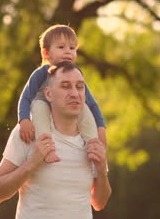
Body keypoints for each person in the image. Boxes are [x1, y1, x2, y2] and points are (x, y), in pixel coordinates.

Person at [0, 61, 111, 218]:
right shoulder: (29, 133)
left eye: (79, 87)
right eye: (65, 86)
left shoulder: (92, 139)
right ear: (48, 94)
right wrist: (32, 164)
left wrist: (101, 171)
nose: (74, 93)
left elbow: (99, 203)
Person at [18, 24, 106, 163]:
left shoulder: (75, 75)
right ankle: (47, 149)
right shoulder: (41, 73)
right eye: (61, 47)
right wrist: (24, 120)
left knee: (84, 107)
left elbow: (92, 103)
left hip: (66, 110)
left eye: (72, 48)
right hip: (44, 106)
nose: (68, 52)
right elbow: (26, 97)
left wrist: (101, 127)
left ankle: (93, 146)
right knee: (39, 107)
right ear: (46, 53)